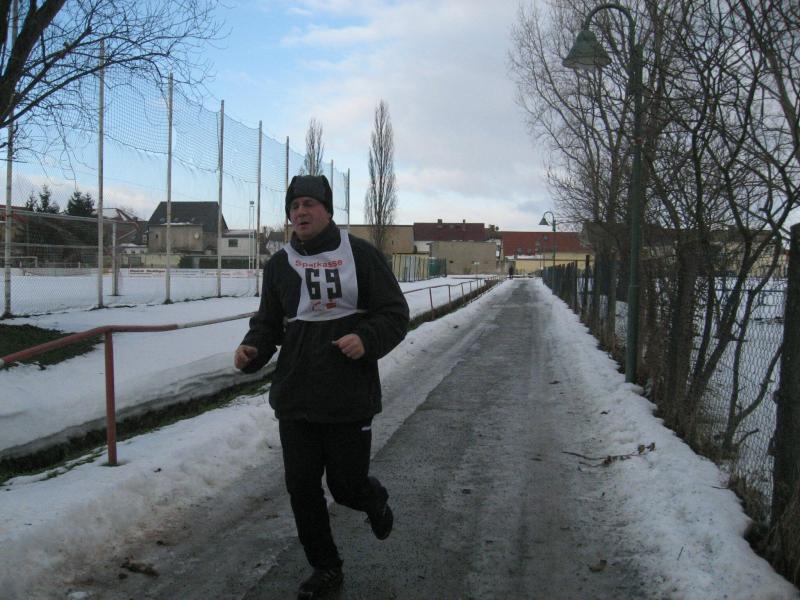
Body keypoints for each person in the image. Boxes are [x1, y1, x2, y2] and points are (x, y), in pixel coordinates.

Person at [234, 174, 409, 599]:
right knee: (302, 488)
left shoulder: (360, 255)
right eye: (294, 206)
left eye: (309, 204)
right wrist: (252, 348)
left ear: (327, 210)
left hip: (348, 396)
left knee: (346, 486)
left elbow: (394, 313)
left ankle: (372, 499)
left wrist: (366, 338)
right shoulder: (279, 265)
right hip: (296, 396)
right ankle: (326, 567)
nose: (300, 212)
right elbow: (268, 323)